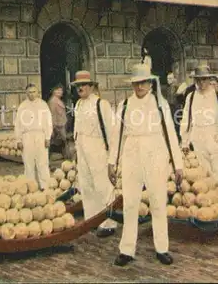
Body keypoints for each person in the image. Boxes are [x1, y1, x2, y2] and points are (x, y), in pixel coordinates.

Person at [108, 57, 183, 267]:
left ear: (150, 83)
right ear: (132, 84)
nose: (140, 86)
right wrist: (111, 162)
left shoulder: (160, 105)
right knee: (130, 202)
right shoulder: (124, 105)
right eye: (136, 83)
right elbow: (117, 135)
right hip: (132, 154)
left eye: (143, 82)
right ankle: (126, 250)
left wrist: (178, 165)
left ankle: (162, 248)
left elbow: (170, 135)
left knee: (158, 201)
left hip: (156, 154)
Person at [72, 70, 118, 238]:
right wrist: (77, 149)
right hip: (83, 148)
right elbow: (77, 129)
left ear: (91, 86)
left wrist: (112, 156)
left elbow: (112, 131)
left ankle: (108, 222)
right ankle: (92, 219)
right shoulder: (78, 105)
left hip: (98, 147)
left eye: (83, 85)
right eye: (77, 86)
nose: (80, 88)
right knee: (86, 184)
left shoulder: (101, 104)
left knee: (102, 185)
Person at [180, 65, 218, 193]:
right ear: (195, 81)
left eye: (204, 79)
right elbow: (186, 120)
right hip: (198, 138)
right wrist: (185, 141)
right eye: (198, 80)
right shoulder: (191, 97)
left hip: (217, 137)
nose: (201, 83)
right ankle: (210, 204)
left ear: (210, 79)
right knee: (204, 175)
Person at [14, 83, 53, 190]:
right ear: (26, 93)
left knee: (43, 162)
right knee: (28, 163)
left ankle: (45, 187)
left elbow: (48, 122)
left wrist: (47, 137)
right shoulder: (23, 106)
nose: (32, 94)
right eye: (29, 92)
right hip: (27, 136)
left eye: (34, 92)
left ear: (37, 92)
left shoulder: (43, 105)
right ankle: (31, 187)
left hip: (40, 135)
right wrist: (19, 139)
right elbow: (18, 124)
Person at [47, 84, 68, 159]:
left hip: (61, 125)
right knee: (61, 142)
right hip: (57, 126)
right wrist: (53, 127)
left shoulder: (58, 100)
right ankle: (66, 158)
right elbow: (52, 114)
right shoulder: (53, 101)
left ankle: (64, 157)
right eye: (58, 90)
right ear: (53, 91)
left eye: (61, 90)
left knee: (60, 142)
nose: (60, 92)